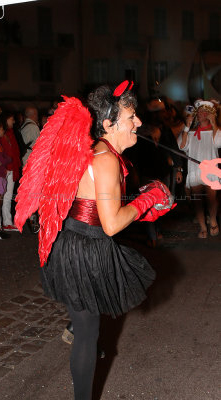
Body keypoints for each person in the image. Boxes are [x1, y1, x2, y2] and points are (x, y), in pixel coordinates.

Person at [15, 81, 176, 400]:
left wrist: (142, 204)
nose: (139, 123)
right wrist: (146, 201)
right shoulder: (106, 161)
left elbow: (100, 206)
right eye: (131, 118)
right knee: (88, 336)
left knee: (87, 327)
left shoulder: (95, 151)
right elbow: (113, 223)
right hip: (86, 248)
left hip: (73, 240)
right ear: (108, 124)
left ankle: (78, 329)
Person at [178, 99, 221, 238]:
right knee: (197, 200)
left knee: (211, 198)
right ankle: (203, 226)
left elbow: (219, 143)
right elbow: (182, 146)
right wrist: (186, 127)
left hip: (211, 170)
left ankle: (213, 220)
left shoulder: (215, 130)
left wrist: (214, 123)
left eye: (205, 111)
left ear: (210, 114)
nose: (201, 114)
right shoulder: (191, 132)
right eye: (199, 111)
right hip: (195, 170)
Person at [0, 112, 21, 231]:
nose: (13, 122)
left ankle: (6, 221)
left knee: (7, 196)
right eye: (11, 119)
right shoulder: (6, 134)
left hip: (10, 168)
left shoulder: (9, 133)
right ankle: (6, 222)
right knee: (6, 196)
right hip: (8, 168)